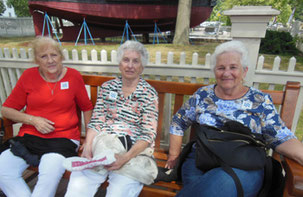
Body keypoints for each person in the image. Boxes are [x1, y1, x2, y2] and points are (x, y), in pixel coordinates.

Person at [165, 40, 303, 197]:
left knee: (211, 190)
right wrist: (174, 155)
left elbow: (281, 136)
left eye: (233, 67)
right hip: (201, 160)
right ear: (215, 71)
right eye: (221, 68)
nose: (226, 73)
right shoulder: (202, 95)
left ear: (244, 71)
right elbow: (178, 122)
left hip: (243, 165)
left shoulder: (259, 100)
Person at [0, 36, 93, 197]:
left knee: (47, 177)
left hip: (63, 139)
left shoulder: (73, 76)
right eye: (44, 56)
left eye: (54, 55)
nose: (50, 60)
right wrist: (32, 120)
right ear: (37, 60)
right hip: (30, 137)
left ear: (61, 56)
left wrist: (91, 140)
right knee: (3, 170)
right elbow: (7, 110)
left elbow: (87, 107)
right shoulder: (29, 76)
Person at [64, 40, 159, 197]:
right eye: (126, 60)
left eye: (136, 61)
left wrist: (124, 158)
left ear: (142, 66)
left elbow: (148, 134)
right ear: (119, 64)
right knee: (79, 186)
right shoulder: (108, 88)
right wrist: (88, 147)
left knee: (119, 192)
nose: (130, 65)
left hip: (132, 150)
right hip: (103, 143)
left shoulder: (149, 94)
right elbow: (96, 121)